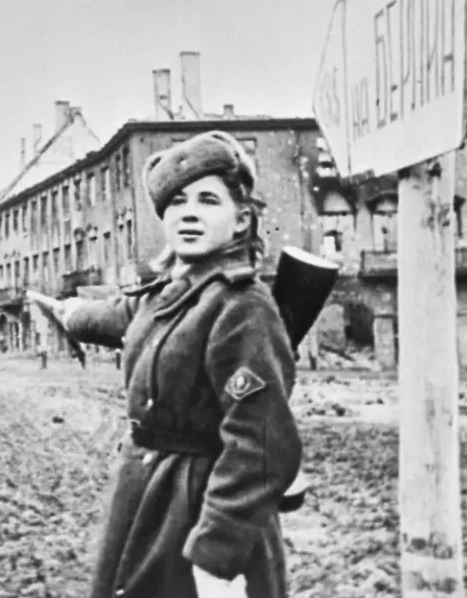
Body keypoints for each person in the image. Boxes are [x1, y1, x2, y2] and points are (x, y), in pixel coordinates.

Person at [56, 130, 302, 598]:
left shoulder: (242, 305)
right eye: (176, 202)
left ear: (241, 218)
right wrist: (68, 313)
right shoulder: (169, 295)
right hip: (146, 500)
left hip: (199, 510)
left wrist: (216, 553)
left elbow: (262, 443)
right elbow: (116, 318)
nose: (188, 212)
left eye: (209, 200)